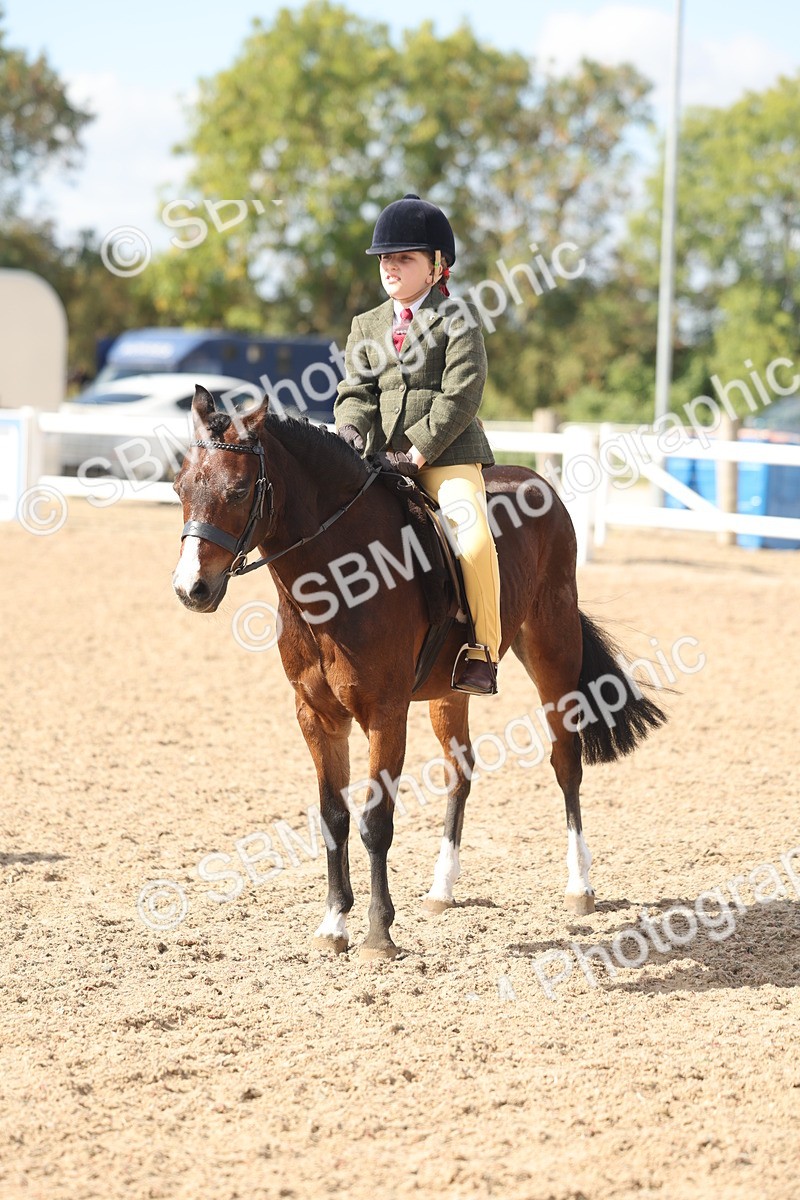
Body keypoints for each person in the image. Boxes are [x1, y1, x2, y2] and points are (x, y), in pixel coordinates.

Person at [334, 193, 502, 696]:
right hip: (377, 458)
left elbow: (463, 393)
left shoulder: (459, 320)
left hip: (444, 456)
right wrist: (351, 437)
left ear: (436, 267)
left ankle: (482, 649)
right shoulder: (366, 325)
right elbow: (355, 392)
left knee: (471, 539)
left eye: (404, 258)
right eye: (386, 258)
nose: (391, 267)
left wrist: (419, 452)